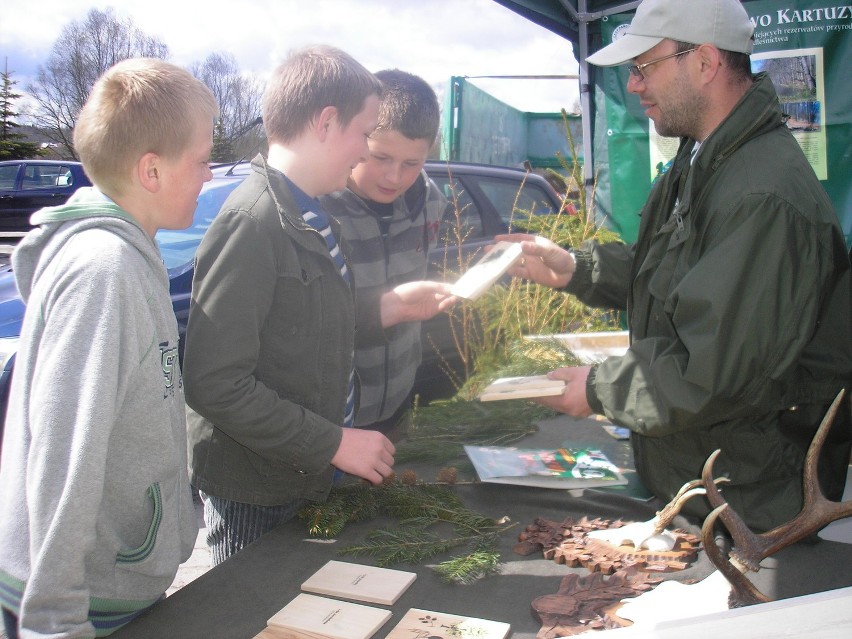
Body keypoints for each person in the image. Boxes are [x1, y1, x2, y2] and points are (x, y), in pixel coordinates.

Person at [499, 0, 852, 533]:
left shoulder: (761, 194)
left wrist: (599, 390)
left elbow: (712, 372)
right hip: (704, 480)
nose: (634, 84)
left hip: (749, 505)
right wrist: (576, 269)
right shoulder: (702, 159)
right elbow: (672, 276)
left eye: (644, 66)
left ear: (705, 62)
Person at [182, 46, 454, 566]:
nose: (363, 153)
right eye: (365, 134)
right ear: (327, 122)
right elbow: (214, 383)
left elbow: (318, 330)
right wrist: (332, 441)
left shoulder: (309, 213)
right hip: (258, 492)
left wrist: (393, 308)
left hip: (304, 471)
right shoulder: (255, 221)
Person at [0, 58, 217, 638]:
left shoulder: (131, 255)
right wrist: (55, 622)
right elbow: (63, 453)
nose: (208, 174)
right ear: (152, 170)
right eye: (201, 160)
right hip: (80, 605)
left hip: (111, 585)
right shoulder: (106, 272)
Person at [320, 68, 452, 433]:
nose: (394, 177)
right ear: (358, 138)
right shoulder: (316, 208)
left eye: (412, 164)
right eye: (380, 158)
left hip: (397, 407)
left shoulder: (430, 204)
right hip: (329, 423)